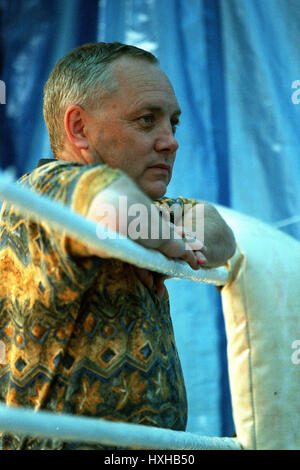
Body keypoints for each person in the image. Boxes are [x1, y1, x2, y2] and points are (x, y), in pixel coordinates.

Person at [0, 42, 236, 450]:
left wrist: (162, 237)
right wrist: (165, 239)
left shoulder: (146, 210)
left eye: (173, 124)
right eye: (147, 120)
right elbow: (110, 209)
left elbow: (220, 234)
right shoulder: (49, 189)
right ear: (78, 129)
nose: (170, 142)